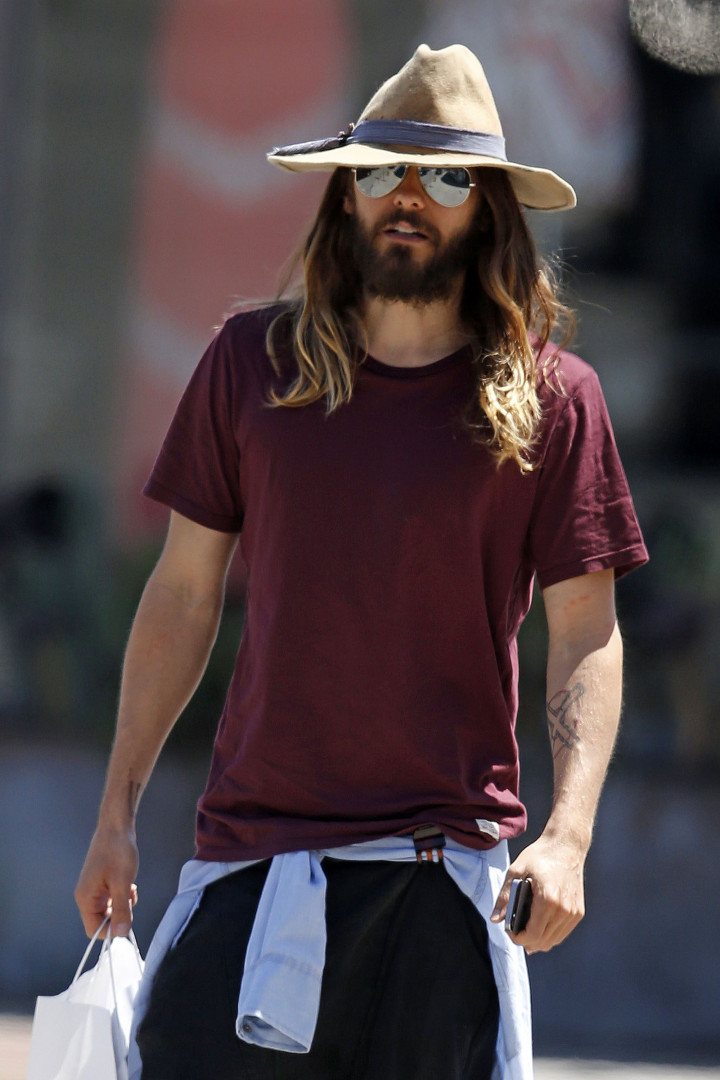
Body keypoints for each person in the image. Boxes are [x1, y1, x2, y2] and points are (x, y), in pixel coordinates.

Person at [75, 43, 648, 1080]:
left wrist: (568, 836)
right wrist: (115, 815)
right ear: (345, 193)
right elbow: (183, 594)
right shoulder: (250, 366)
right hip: (251, 863)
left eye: (447, 178)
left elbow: (587, 631)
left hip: (441, 877)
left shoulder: (556, 399)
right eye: (382, 169)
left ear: (490, 208)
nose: (409, 197)